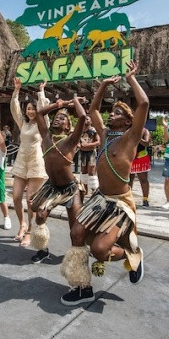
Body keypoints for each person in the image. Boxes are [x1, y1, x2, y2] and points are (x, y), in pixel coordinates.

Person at [61, 61, 148, 306]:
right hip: (100, 199)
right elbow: (94, 109)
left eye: (118, 113)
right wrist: (103, 85)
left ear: (129, 121)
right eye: (113, 112)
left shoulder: (131, 138)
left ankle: (131, 254)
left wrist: (131, 78)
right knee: (76, 233)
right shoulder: (105, 134)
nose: (112, 114)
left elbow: (143, 104)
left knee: (99, 250)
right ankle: (82, 286)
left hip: (119, 204)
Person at [29, 96, 87, 264]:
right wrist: (58, 104)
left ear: (68, 126)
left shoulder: (71, 140)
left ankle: (78, 256)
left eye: (62, 118)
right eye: (56, 117)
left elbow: (82, 117)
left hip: (70, 189)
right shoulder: (46, 136)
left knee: (75, 230)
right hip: (52, 187)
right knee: (40, 216)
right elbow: (40, 114)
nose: (57, 119)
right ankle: (43, 250)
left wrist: (75, 100)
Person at [9, 78, 49, 247]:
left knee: (31, 201)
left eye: (33, 108)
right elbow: (14, 109)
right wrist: (16, 91)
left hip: (36, 163)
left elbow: (44, 109)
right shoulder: (23, 123)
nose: (31, 111)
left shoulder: (42, 124)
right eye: (29, 109)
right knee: (16, 197)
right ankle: (22, 225)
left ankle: (30, 232)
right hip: (21, 162)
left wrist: (41, 92)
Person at [79, 116, 100, 196]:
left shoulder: (93, 131)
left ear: (91, 121)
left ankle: (94, 190)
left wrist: (88, 145)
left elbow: (98, 142)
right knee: (84, 171)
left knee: (91, 172)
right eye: (84, 118)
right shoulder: (80, 130)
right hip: (82, 153)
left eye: (87, 119)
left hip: (91, 153)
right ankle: (85, 190)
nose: (85, 120)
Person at [130, 127, 152, 207]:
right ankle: (128, 198)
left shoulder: (145, 131)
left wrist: (138, 137)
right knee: (129, 179)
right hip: (129, 156)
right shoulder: (127, 129)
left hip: (141, 156)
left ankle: (145, 199)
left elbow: (146, 144)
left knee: (143, 179)